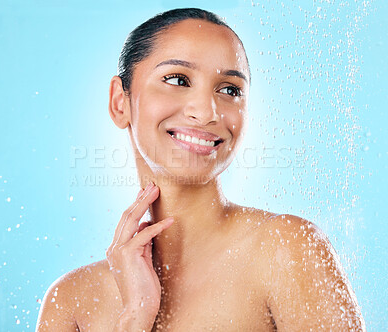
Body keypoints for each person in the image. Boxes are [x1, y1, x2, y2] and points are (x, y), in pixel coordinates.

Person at [36, 8, 365, 331]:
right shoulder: (71, 301)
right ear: (120, 103)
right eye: (177, 79)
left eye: (229, 90)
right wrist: (135, 317)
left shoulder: (287, 251)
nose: (206, 111)